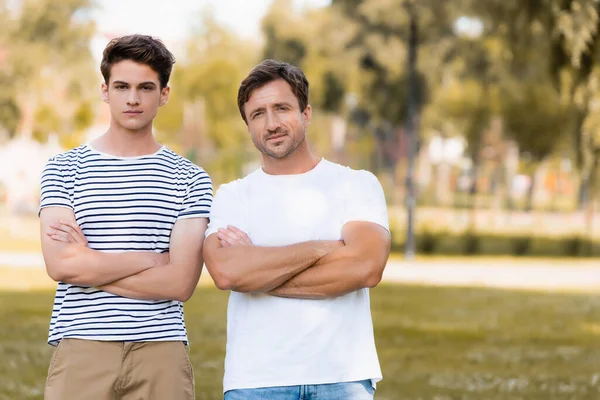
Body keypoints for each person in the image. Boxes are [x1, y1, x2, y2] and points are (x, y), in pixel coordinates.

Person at [203, 59, 391, 400]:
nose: (272, 123)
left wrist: (259, 273)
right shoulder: (232, 195)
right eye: (258, 114)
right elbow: (228, 273)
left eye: (282, 108)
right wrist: (322, 248)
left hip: (343, 378)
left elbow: (365, 267)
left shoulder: (356, 185)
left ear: (306, 114)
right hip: (256, 382)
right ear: (248, 125)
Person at [39, 34, 212, 400]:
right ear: (105, 90)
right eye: (121, 86)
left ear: (164, 94)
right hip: (82, 345)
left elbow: (180, 283)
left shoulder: (190, 178)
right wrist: (150, 260)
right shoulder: (62, 169)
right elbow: (60, 265)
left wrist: (89, 265)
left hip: (161, 350)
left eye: (145, 87)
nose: (133, 98)